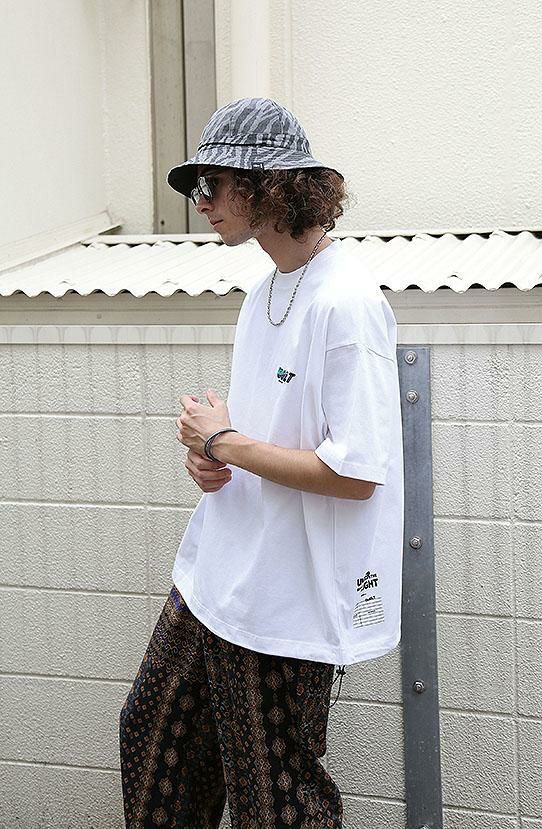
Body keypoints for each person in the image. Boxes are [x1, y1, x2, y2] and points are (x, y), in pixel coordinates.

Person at [120, 97, 404, 829]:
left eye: (213, 183)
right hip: (216, 574)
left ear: (269, 185)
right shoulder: (263, 294)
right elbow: (258, 440)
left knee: (274, 800)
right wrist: (212, 460)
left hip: (284, 598)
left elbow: (357, 472)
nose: (201, 201)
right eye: (198, 187)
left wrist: (223, 441)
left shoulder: (346, 302)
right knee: (153, 744)